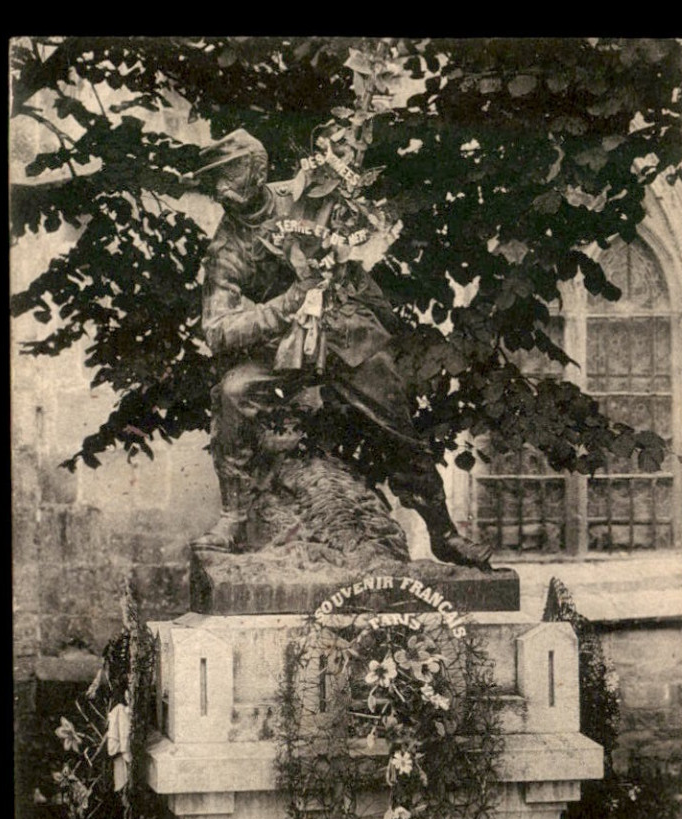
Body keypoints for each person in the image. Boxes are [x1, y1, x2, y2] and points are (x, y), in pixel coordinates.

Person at [191, 128, 492, 569]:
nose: (220, 188)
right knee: (235, 391)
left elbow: (354, 248)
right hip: (283, 348)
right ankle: (233, 516)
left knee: (393, 413)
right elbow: (217, 330)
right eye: (213, 180)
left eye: (228, 173)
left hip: (343, 332)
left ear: (257, 170)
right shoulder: (227, 247)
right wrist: (286, 305)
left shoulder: (307, 197)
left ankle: (443, 533)